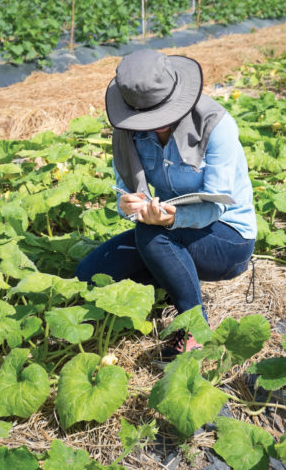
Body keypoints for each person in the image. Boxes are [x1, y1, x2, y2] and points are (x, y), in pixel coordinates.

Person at [74, 49, 256, 358]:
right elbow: (124, 191)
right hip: (166, 231)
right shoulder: (126, 133)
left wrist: (171, 220)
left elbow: (218, 205)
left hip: (227, 238)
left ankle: (194, 329)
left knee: (151, 235)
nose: (156, 126)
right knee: (89, 274)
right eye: (146, 118)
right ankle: (171, 275)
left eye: (163, 116)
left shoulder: (216, 126)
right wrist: (127, 205)